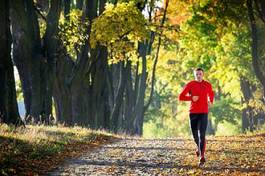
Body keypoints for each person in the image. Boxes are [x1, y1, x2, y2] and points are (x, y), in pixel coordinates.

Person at [178, 68, 214, 166]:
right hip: (193, 113)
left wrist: (211, 101)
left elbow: (211, 93)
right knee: (195, 135)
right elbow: (180, 97)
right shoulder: (190, 84)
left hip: (203, 113)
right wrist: (191, 98)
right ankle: (198, 148)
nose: (198, 76)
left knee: (202, 134)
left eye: (200, 74)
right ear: (195, 75)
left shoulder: (207, 85)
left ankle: (202, 157)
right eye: (197, 74)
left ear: (203, 75)